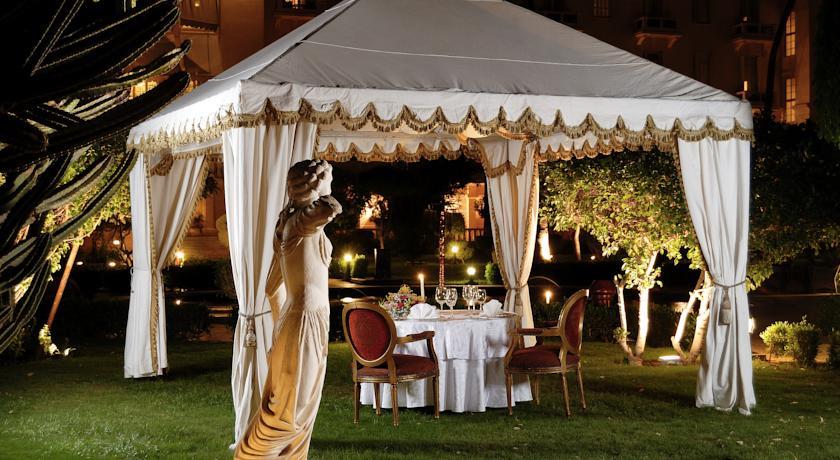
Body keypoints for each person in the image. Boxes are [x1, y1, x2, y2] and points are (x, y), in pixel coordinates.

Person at [235, 159, 341, 459]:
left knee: (298, 406)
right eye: (328, 177)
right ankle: (252, 455)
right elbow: (330, 209)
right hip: (305, 321)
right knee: (291, 410)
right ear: (314, 183)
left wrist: (280, 328)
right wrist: (319, 191)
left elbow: (272, 287)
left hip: (301, 321)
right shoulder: (300, 222)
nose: (332, 182)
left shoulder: (288, 224)